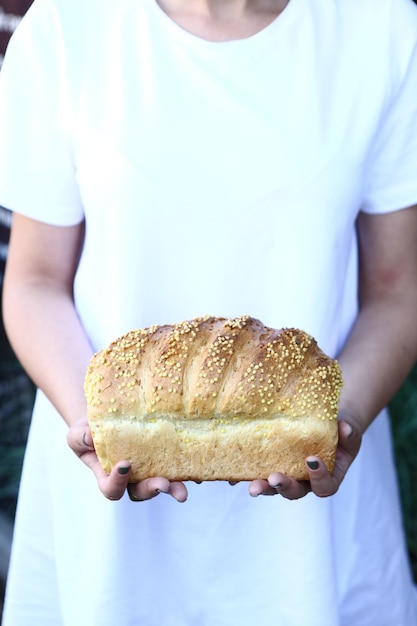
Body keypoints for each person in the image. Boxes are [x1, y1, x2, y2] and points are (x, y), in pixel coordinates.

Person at [0, 0, 417, 624]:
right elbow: (34, 281)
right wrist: (91, 422)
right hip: (103, 521)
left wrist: (342, 420)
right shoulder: (68, 25)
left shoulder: (382, 27)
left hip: (314, 534)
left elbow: (397, 292)